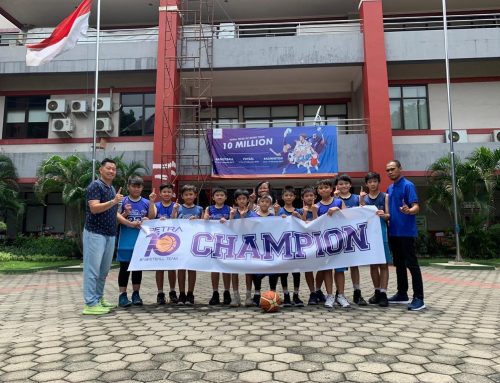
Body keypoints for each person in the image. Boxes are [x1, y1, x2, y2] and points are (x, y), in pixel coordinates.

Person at [82, 158, 123, 315]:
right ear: (101, 170)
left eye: (114, 169)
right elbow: (94, 208)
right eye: (109, 168)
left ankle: (98, 298)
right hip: (95, 233)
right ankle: (90, 303)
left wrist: (123, 213)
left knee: (103, 270)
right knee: (92, 270)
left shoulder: (111, 188)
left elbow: (112, 212)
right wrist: (113, 202)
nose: (112, 171)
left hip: (110, 234)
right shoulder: (95, 186)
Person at [386, 160, 425, 311]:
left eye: (392, 169)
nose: (390, 172)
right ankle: (402, 293)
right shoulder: (390, 188)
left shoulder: (408, 185)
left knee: (412, 264)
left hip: (406, 232)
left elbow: (416, 207)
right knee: (399, 264)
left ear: (400, 169)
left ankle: (419, 298)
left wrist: (410, 210)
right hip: (393, 232)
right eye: (388, 170)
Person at [116, 176, 150, 307]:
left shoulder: (147, 202)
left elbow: (152, 217)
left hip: (141, 242)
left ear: (142, 188)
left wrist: (147, 219)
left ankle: (136, 294)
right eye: (134, 186)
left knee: (137, 269)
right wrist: (126, 213)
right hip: (125, 241)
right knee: (124, 268)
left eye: (139, 186)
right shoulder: (122, 201)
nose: (136, 188)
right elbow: (116, 218)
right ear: (128, 187)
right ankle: (122, 296)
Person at [335, 174, 368, 306]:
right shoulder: (334, 200)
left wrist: (362, 200)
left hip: (354, 236)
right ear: (337, 186)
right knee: (339, 267)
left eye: (346, 183)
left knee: (355, 265)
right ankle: (339, 293)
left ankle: (357, 292)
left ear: (350, 185)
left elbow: (364, 212)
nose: (343, 186)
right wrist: (335, 199)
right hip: (339, 237)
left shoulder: (356, 198)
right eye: (341, 184)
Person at [315, 179, 347, 308]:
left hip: (339, 240)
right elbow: (315, 225)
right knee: (327, 269)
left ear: (331, 188)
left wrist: (338, 210)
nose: (324, 190)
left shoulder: (339, 202)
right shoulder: (316, 206)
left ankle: (341, 295)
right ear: (318, 191)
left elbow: (348, 218)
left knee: (339, 269)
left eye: (326, 187)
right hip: (324, 242)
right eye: (321, 188)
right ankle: (330, 295)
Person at [172, 184, 204, 305]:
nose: (189, 196)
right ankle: (181, 294)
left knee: (191, 268)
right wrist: (174, 211)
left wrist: (198, 221)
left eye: (191, 194)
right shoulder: (178, 208)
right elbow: (172, 222)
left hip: (194, 243)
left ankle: (190, 294)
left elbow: (204, 225)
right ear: (182, 196)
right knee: (180, 268)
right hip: (180, 242)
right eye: (186, 194)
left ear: (195, 195)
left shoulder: (200, 209)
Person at [363, 172, 391, 307]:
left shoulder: (385, 197)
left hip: (382, 233)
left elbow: (388, 216)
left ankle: (384, 293)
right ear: (366, 184)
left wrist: (383, 215)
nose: (372, 184)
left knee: (384, 264)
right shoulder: (363, 199)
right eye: (370, 182)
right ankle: (377, 292)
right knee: (373, 265)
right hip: (368, 235)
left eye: (375, 181)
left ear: (378, 182)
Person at [148, 183, 178, 305]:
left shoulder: (176, 206)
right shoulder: (156, 205)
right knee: (159, 268)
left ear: (172, 193)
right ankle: (160, 293)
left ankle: (172, 292)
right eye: (164, 192)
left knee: (171, 268)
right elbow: (150, 217)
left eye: (169, 192)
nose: (166, 194)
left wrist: (174, 212)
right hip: (158, 241)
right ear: (160, 193)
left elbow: (177, 222)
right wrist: (151, 202)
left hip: (173, 241)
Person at [275, 186, 304, 307]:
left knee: (296, 271)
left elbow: (306, 226)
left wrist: (298, 217)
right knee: (284, 272)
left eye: (291, 195)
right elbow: (272, 226)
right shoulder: (279, 211)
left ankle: (296, 295)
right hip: (282, 245)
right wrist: (277, 216)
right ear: (282, 197)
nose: (288, 197)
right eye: (286, 195)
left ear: (294, 197)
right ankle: (286, 295)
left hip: (296, 245)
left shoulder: (299, 211)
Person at [204, 187, 233, 306]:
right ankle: (215, 292)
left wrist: (228, 220)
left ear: (226, 197)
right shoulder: (208, 209)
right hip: (213, 241)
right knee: (215, 268)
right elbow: (204, 222)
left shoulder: (229, 209)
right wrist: (205, 218)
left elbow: (233, 224)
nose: (219, 197)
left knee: (226, 268)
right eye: (217, 195)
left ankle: (227, 292)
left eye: (222, 195)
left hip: (226, 242)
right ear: (213, 197)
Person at [230, 188, 259, 307]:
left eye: (244, 199)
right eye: (239, 199)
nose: (242, 201)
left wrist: (242, 219)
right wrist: (231, 218)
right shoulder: (232, 213)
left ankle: (248, 296)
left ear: (247, 200)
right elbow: (229, 229)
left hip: (248, 245)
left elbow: (251, 230)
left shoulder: (252, 214)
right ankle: (235, 297)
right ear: (236, 201)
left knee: (248, 271)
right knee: (234, 270)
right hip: (235, 245)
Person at [299, 186, 322, 305]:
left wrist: (314, 212)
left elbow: (319, 224)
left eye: (311, 195)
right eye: (306, 196)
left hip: (318, 241)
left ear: (315, 197)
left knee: (322, 268)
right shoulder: (299, 210)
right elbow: (300, 225)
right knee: (308, 269)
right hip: (305, 244)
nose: (309, 198)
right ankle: (312, 292)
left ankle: (318, 289)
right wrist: (304, 214)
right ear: (302, 198)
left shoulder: (319, 208)